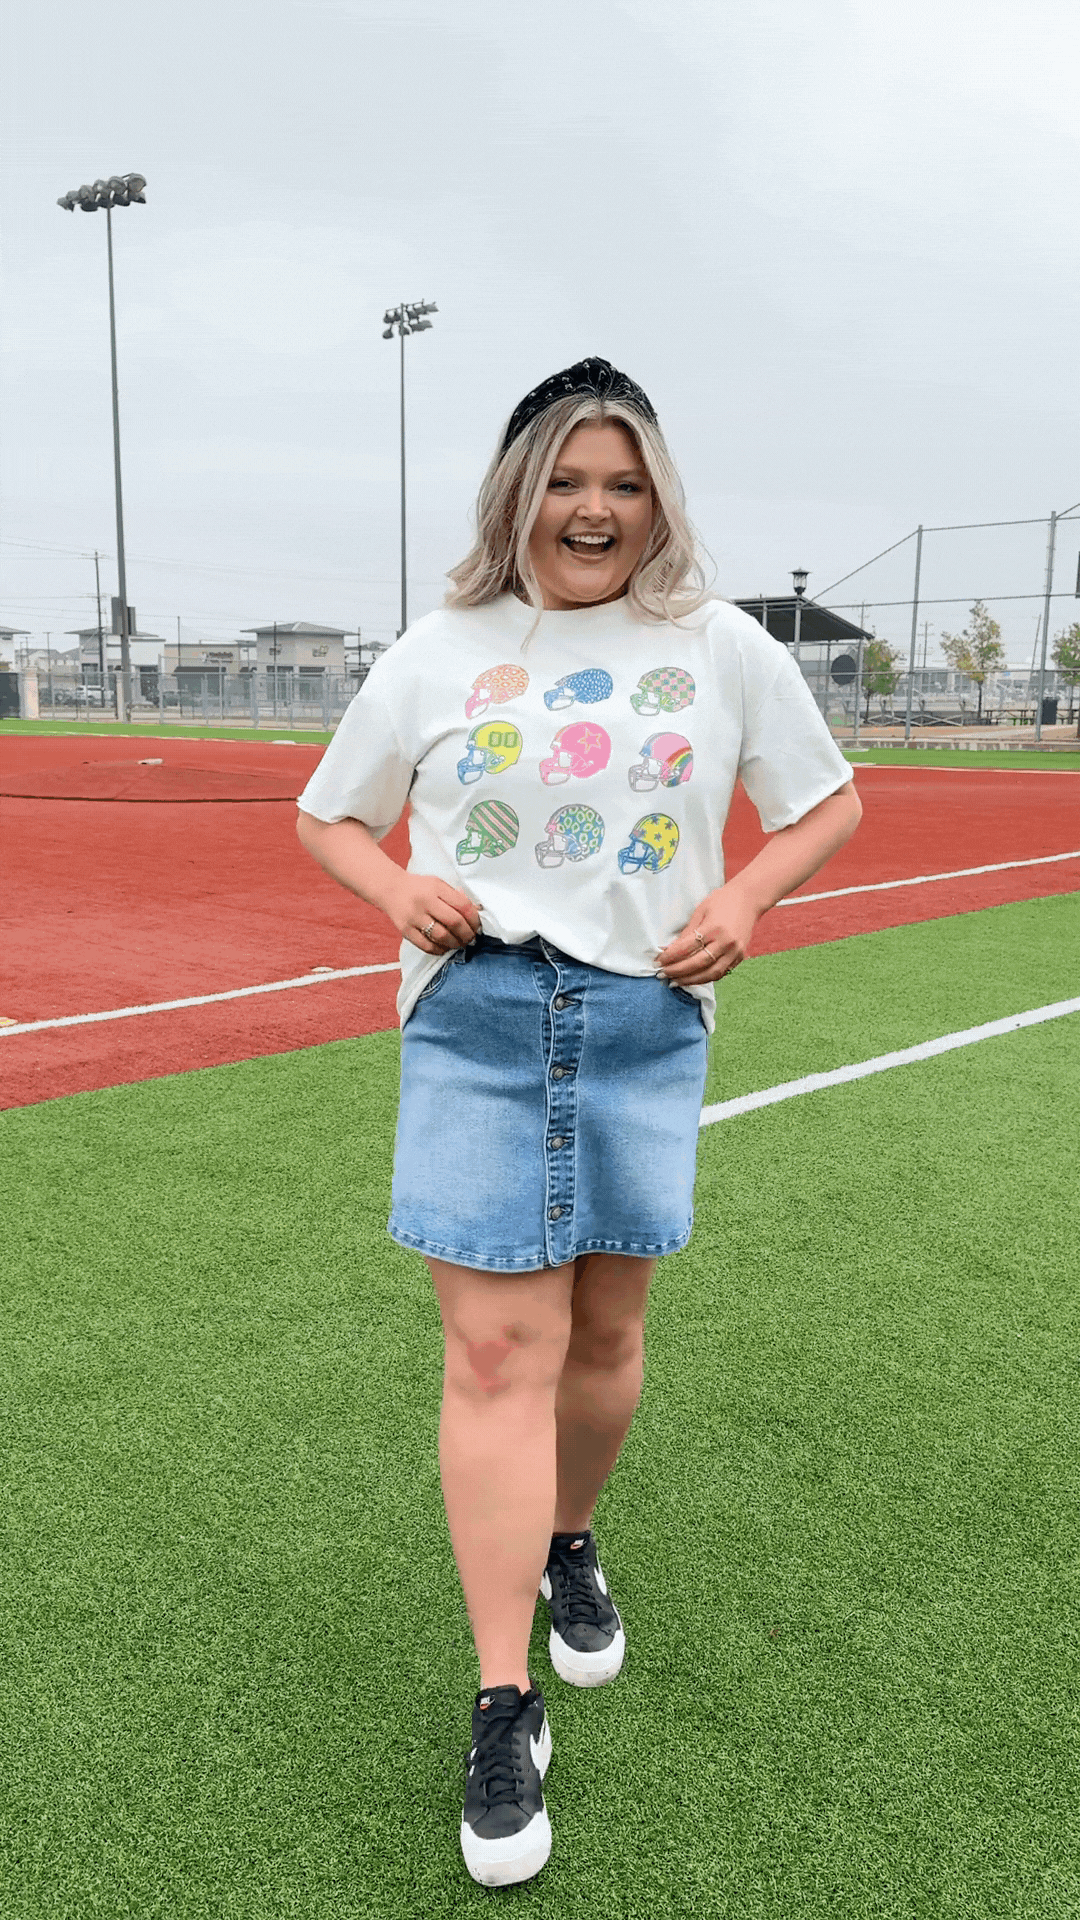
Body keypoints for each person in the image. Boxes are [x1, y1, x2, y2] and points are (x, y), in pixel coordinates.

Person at [296, 356, 862, 1887]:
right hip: (475, 1017)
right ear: (517, 489)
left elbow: (827, 803)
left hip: (641, 1025)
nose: (593, 508)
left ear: (655, 498)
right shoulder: (439, 648)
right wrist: (396, 887)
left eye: (621, 482)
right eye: (565, 478)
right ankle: (503, 1696)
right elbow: (329, 813)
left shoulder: (721, 647)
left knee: (605, 1345)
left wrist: (743, 895)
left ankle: (568, 1536)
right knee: (495, 1354)